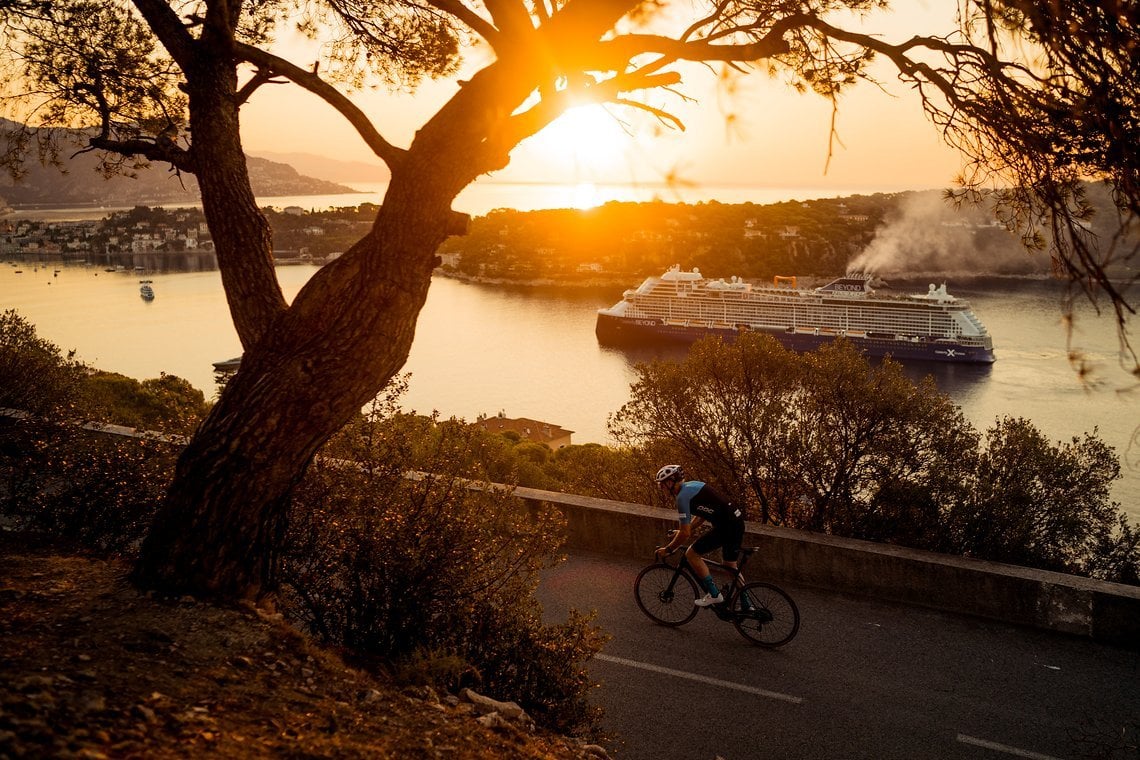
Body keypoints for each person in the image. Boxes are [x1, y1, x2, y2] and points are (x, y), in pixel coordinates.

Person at [653, 464, 746, 607]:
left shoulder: (682, 497)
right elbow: (702, 516)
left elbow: (686, 533)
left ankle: (714, 595)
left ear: (670, 482)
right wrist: (684, 530)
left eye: (662, 484)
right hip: (737, 522)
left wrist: (669, 550)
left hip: (726, 527)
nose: (661, 488)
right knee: (730, 566)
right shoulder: (692, 486)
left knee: (691, 554)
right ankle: (748, 604)